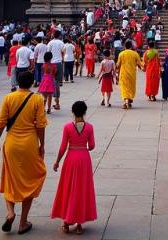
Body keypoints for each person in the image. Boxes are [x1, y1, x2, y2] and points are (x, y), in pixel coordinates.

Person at [0, 69, 47, 236]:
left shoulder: (9, 98)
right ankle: (23, 222)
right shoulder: (37, 98)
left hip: (11, 144)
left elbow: (1, 122)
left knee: (10, 178)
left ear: (17, 81)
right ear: (31, 83)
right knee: (30, 180)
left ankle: (10, 213)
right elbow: (40, 125)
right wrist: (42, 145)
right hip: (29, 144)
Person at [50, 100, 97, 235]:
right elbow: (92, 145)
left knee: (68, 188)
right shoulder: (89, 127)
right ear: (85, 112)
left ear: (72, 112)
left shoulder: (67, 127)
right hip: (84, 159)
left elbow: (63, 147)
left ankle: (66, 222)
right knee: (81, 189)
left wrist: (57, 161)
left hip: (71, 159)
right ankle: (79, 224)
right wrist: (84, 147)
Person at [116, 40, 143, 110]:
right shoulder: (135, 54)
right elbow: (140, 64)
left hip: (123, 74)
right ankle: (129, 100)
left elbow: (118, 65)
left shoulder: (121, 54)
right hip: (132, 74)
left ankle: (126, 101)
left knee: (124, 88)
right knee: (131, 88)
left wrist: (116, 73)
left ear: (125, 46)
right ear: (131, 46)